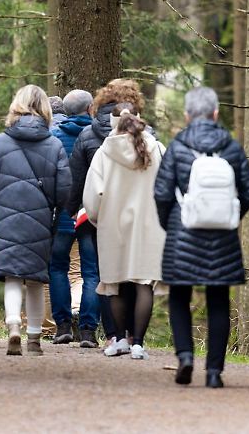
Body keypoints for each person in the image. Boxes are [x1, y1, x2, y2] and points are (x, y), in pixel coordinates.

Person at [154, 86, 249, 388]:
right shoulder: (231, 146)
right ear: (215, 114)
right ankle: (214, 372)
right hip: (222, 236)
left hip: (182, 231)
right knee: (218, 299)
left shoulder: (177, 145)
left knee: (179, 296)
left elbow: (162, 192)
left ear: (187, 116)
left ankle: (185, 357)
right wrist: (230, 216)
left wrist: (171, 224)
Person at [0, 85, 71, 356]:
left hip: (6, 215)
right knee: (35, 279)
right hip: (41, 217)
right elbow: (64, 189)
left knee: (12, 276)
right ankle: (33, 338)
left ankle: (12, 327)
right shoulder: (54, 144)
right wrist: (53, 210)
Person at [69, 79, 147, 350]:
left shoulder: (88, 137)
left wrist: (71, 212)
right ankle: (134, 337)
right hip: (137, 216)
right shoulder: (147, 136)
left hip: (95, 216)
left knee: (99, 275)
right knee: (136, 276)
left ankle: (107, 333)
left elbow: (77, 180)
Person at [83, 103, 165, 361]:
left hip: (113, 223)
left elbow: (93, 196)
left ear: (112, 122)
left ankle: (119, 339)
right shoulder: (157, 149)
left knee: (115, 283)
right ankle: (138, 343)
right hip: (148, 224)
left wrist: (97, 219)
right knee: (144, 283)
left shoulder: (104, 153)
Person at [49, 89, 100, 346]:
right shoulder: (97, 136)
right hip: (90, 214)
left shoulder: (54, 137)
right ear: (90, 108)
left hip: (62, 213)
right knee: (92, 271)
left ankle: (62, 327)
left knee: (58, 267)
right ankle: (89, 331)